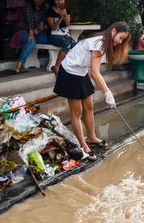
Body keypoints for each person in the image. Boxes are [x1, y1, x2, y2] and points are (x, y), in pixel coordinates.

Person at [53, 22, 130, 160]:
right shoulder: (99, 44)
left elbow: (93, 71)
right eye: (121, 37)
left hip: (81, 72)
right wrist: (107, 93)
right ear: (113, 31)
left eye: (123, 40)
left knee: (89, 107)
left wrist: (107, 93)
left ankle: (91, 137)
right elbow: (95, 73)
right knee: (77, 112)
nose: (120, 42)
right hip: (70, 72)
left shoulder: (103, 42)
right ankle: (83, 145)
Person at [14, 0, 48, 73]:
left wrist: (42, 23)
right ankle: (19, 63)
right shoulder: (28, 6)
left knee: (49, 39)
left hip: (38, 32)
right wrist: (31, 34)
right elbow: (29, 21)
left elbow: (44, 18)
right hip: (24, 31)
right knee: (32, 41)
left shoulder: (45, 6)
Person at [46, 0, 77, 74]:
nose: (59, 2)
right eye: (57, 0)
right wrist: (60, 18)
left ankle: (70, 65)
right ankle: (57, 66)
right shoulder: (50, 11)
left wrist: (65, 14)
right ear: (54, 1)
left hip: (64, 35)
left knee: (75, 46)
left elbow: (67, 24)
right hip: (54, 35)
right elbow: (53, 28)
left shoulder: (67, 11)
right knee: (67, 45)